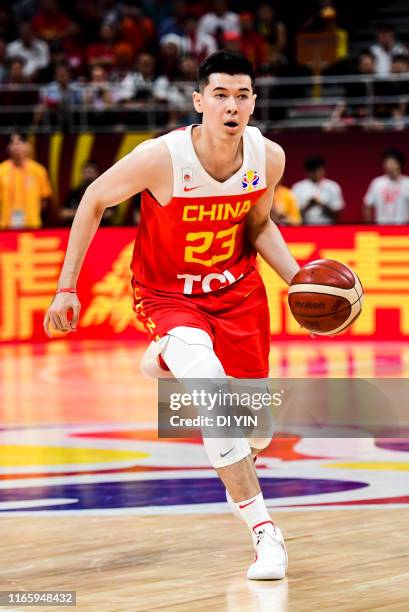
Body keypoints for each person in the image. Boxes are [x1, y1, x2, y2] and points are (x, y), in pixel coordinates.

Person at [43, 50, 299, 580]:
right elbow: (94, 199)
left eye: (242, 95)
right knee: (209, 387)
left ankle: (162, 359)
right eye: (221, 95)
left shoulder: (267, 156)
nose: (232, 106)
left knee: (255, 432)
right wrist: (66, 287)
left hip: (240, 294)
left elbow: (259, 225)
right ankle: (265, 533)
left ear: (254, 102)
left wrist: (297, 279)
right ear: (198, 100)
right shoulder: (161, 157)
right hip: (168, 296)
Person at [0, 131, 52, 229]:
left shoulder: (39, 171)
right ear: (8, 147)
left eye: (20, 143)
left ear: (27, 145)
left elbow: (44, 201)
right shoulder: (1, 171)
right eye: (13, 144)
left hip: (32, 225)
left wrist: (32, 213)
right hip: (5, 226)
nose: (17, 147)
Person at [292, 156, 344, 224]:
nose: (316, 173)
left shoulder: (333, 187)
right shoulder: (298, 187)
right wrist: (308, 205)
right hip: (304, 227)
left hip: (328, 227)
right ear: (306, 171)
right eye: (312, 170)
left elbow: (338, 213)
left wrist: (321, 204)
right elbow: (293, 215)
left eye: (318, 170)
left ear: (323, 170)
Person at [363, 149, 409, 224]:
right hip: (381, 228)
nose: (388, 165)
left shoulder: (407, 183)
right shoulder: (377, 183)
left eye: (392, 162)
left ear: (399, 164)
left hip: (403, 229)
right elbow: (367, 205)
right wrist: (369, 226)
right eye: (386, 162)